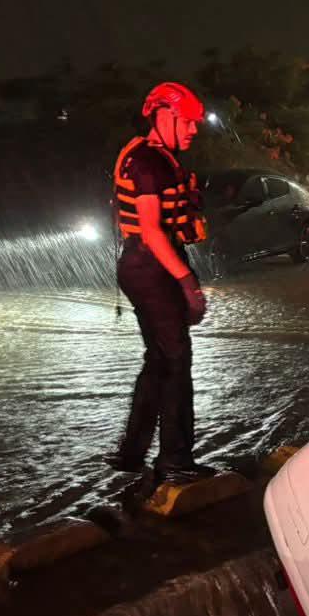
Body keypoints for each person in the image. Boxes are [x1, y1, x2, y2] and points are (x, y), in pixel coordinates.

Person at [107, 81, 213, 485]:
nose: (193, 130)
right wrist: (188, 284)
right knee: (176, 362)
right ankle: (175, 460)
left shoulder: (157, 157)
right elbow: (151, 230)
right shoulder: (148, 162)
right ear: (164, 117)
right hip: (152, 267)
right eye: (187, 122)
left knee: (158, 361)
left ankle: (131, 454)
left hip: (147, 266)